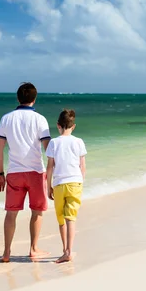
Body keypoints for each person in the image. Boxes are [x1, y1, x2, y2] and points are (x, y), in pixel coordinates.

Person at [0, 82, 51, 262]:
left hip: (14, 172)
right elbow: (47, 148)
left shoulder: (6, 118)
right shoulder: (40, 119)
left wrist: (0, 173)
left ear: (18, 98)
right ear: (34, 99)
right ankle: (33, 249)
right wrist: (53, 175)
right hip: (36, 171)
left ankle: (6, 252)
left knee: (11, 213)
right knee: (37, 212)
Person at [46, 109, 87, 263]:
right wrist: (80, 182)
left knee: (61, 219)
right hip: (75, 183)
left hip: (58, 184)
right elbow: (82, 167)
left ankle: (65, 250)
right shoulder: (79, 142)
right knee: (71, 218)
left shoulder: (53, 142)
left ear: (58, 125)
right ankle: (69, 251)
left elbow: (49, 167)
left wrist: (48, 186)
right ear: (73, 126)